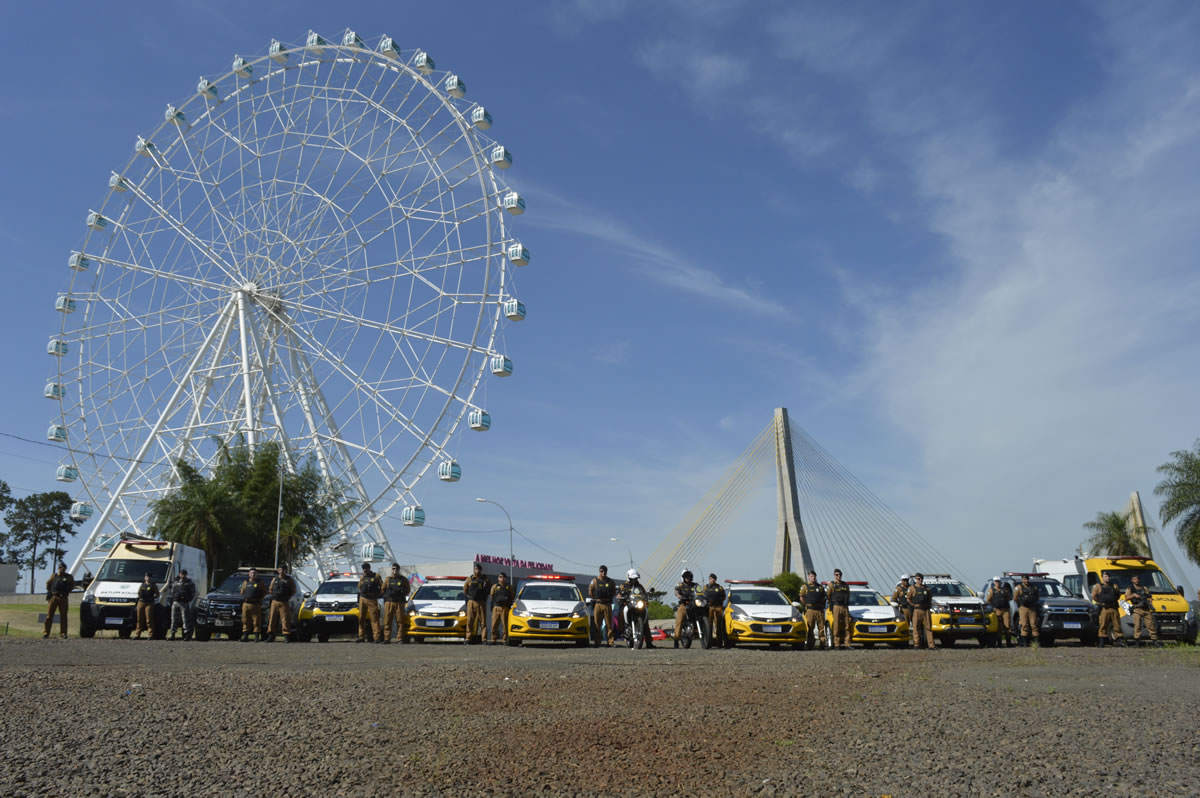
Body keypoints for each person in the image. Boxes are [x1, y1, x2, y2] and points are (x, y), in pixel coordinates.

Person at [618, 568, 654, 648]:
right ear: (628, 577)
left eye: (635, 578)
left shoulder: (640, 586)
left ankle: (649, 642)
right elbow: (619, 594)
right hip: (628, 604)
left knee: (645, 622)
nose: (634, 580)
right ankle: (622, 631)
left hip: (638, 605)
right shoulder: (624, 585)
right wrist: (621, 596)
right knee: (621, 613)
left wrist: (647, 596)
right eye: (632, 578)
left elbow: (644, 594)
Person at [43, 563, 75, 639]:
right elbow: (48, 583)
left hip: (63, 597)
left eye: (63, 568)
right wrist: (50, 592)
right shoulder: (54, 576)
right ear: (58, 568)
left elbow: (72, 585)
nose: (62, 569)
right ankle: (46, 632)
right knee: (49, 616)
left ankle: (63, 633)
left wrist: (67, 591)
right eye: (60, 568)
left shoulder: (69, 577)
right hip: (54, 596)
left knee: (63, 616)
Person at [589, 565, 618, 647]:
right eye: (601, 571)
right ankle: (597, 642)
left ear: (607, 571)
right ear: (599, 571)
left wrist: (609, 598)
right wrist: (595, 598)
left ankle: (610, 642)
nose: (603, 573)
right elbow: (590, 590)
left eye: (605, 571)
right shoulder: (595, 581)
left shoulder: (611, 582)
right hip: (598, 605)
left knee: (609, 625)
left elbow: (614, 592)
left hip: (607, 605)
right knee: (597, 624)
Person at [798, 570, 827, 650]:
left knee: (821, 628)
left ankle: (822, 644)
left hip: (819, 610)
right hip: (810, 610)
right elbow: (801, 597)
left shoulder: (820, 587)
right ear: (808, 577)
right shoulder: (805, 587)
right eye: (811, 576)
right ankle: (810, 645)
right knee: (810, 628)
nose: (813, 578)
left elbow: (824, 597)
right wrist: (806, 605)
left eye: (814, 576)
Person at [265, 565, 295, 643]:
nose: (281, 571)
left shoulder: (289, 580)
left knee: (285, 619)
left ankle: (286, 635)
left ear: (286, 571)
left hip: (284, 602)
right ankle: (271, 635)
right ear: (278, 571)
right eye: (280, 569)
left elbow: (293, 590)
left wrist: (287, 597)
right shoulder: (275, 579)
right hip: (274, 601)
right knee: (272, 619)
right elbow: (270, 589)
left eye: (283, 570)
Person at [1091, 572, 1122, 646]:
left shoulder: (1114, 586)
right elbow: (1094, 596)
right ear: (1102, 577)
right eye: (1106, 576)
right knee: (1103, 625)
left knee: (1117, 625)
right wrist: (1100, 602)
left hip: (1114, 608)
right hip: (1104, 608)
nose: (1108, 578)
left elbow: (1118, 595)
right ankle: (1102, 641)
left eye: (1109, 576)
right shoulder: (1098, 586)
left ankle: (1119, 640)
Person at [1125, 575, 1158, 644]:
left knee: (1150, 625)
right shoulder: (1130, 588)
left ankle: (1154, 640)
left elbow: (1149, 596)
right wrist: (1133, 595)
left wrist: (1150, 602)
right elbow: (1127, 597)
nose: (1136, 580)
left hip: (1145, 608)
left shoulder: (1144, 588)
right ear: (1132, 580)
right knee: (1137, 625)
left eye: (1137, 579)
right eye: (1135, 579)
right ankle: (1137, 641)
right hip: (1137, 608)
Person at [383, 563, 410, 644]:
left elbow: (407, 590)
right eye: (393, 569)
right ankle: (387, 638)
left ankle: (400, 638)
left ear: (399, 569)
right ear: (391, 569)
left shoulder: (403, 579)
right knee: (387, 621)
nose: (394, 570)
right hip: (389, 602)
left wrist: (401, 595)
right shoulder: (388, 579)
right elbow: (383, 589)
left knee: (400, 621)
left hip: (399, 603)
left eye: (396, 569)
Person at [463, 563, 489, 644]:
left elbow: (489, 588)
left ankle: (484, 639)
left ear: (481, 570)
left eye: (478, 569)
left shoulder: (485, 579)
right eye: (476, 569)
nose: (477, 571)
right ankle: (468, 638)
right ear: (474, 570)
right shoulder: (469, 579)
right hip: (471, 602)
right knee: (470, 621)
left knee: (483, 622)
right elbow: (465, 589)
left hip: (481, 602)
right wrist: (468, 598)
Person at [357, 562, 383, 643]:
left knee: (374, 619)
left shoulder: (376, 576)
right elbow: (359, 587)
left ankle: (377, 637)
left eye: (366, 568)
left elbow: (382, 586)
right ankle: (361, 637)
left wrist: (378, 595)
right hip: (363, 598)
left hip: (372, 599)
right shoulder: (362, 577)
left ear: (369, 568)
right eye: (363, 569)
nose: (365, 570)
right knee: (361, 618)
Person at [168, 569, 197, 641]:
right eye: (181, 574)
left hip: (184, 603)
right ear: (179, 574)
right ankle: (172, 634)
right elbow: (172, 591)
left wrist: (187, 599)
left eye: (183, 574)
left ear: (186, 575)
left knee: (185, 619)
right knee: (174, 619)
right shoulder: (176, 582)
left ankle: (186, 635)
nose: (182, 576)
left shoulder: (189, 583)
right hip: (176, 602)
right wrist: (174, 597)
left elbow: (193, 593)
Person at [673, 569, 698, 649]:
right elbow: (676, 591)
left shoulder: (694, 585)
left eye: (689, 577)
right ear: (683, 578)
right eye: (686, 577)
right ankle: (676, 639)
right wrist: (678, 595)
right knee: (679, 621)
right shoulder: (680, 585)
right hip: (683, 605)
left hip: (693, 604)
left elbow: (699, 590)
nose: (688, 578)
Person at [908, 573, 935, 649]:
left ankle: (931, 645)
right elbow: (908, 598)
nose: (919, 580)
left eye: (920, 578)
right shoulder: (912, 588)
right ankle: (916, 644)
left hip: (926, 610)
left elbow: (930, 597)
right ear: (916, 579)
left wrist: (928, 605)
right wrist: (913, 605)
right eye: (918, 579)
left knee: (928, 628)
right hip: (917, 610)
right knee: (916, 628)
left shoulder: (927, 588)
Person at [1013, 574, 1040, 647]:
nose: (1026, 580)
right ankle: (1024, 643)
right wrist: (1020, 604)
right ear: (1022, 580)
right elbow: (1015, 597)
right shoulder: (1018, 588)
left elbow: (1037, 597)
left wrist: (1033, 602)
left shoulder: (1033, 587)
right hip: (1023, 608)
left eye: (1027, 579)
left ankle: (1036, 643)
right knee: (1024, 624)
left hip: (1032, 608)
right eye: (1024, 579)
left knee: (1034, 624)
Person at [985, 578, 1014, 647]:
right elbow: (988, 600)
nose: (997, 583)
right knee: (999, 627)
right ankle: (999, 642)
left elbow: (1009, 598)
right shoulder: (991, 590)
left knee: (1007, 626)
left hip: (1005, 610)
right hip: (997, 610)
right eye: (996, 581)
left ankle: (1008, 642)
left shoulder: (1004, 590)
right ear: (994, 582)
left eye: (998, 581)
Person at [828, 569, 852, 650]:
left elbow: (848, 595)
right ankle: (837, 644)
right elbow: (828, 595)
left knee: (847, 626)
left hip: (844, 606)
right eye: (836, 574)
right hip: (836, 606)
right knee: (836, 626)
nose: (838, 576)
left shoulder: (845, 585)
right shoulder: (832, 585)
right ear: (834, 575)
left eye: (839, 575)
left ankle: (847, 644)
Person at [240, 569, 266, 642]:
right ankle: (245, 636)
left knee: (256, 621)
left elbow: (264, 592)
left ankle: (256, 637)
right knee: (245, 620)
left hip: (255, 604)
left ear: (257, 574)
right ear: (249, 574)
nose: (253, 574)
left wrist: (259, 599)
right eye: (251, 573)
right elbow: (242, 591)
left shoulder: (260, 582)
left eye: (254, 573)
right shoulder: (246, 582)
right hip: (246, 604)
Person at [489, 572, 514, 645]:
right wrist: (493, 606)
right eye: (500, 577)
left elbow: (512, 596)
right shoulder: (495, 586)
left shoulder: (509, 587)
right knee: (494, 625)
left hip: (505, 608)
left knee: (505, 625)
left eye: (503, 577)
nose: (502, 578)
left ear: (505, 578)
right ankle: (493, 639)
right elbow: (491, 596)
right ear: (498, 578)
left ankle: (504, 639)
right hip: (496, 607)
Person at [703, 573, 727, 649]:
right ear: (709, 579)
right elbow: (702, 595)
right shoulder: (705, 587)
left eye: (713, 578)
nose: (712, 580)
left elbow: (724, 596)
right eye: (711, 578)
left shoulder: (720, 587)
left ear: (715, 579)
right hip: (710, 607)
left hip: (718, 607)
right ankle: (709, 641)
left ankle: (719, 642)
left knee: (718, 625)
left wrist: (720, 602)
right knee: (709, 625)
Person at [134, 572, 159, 639]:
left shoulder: (153, 585)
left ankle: (150, 634)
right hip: (141, 602)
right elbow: (138, 592)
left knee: (149, 619)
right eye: (146, 577)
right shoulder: (142, 584)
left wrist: (153, 598)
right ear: (145, 577)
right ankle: (137, 634)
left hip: (149, 603)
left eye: (149, 577)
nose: (147, 578)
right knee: (139, 619)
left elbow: (157, 594)